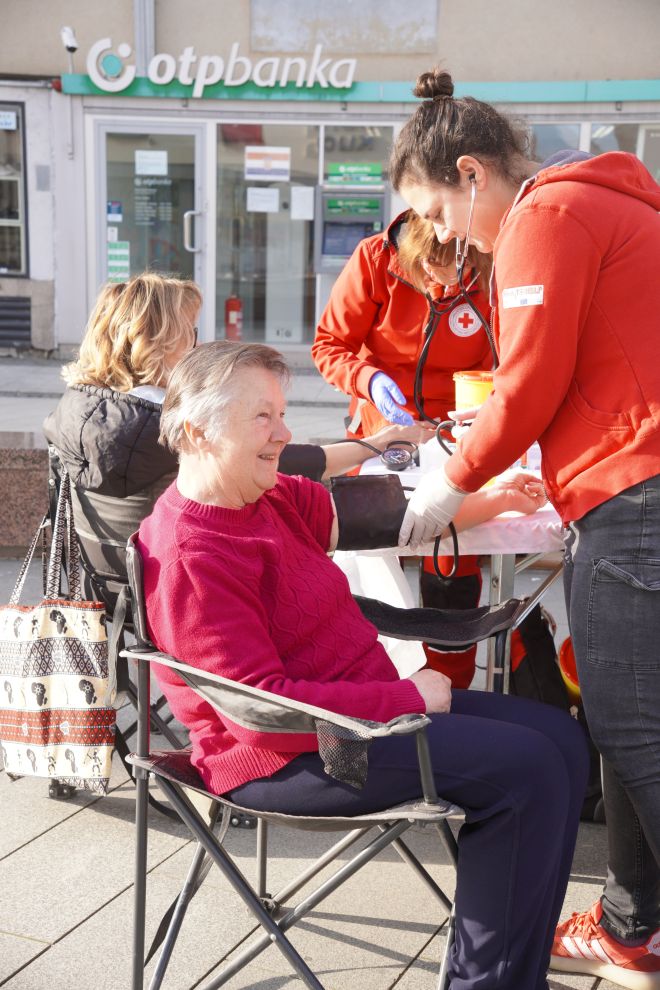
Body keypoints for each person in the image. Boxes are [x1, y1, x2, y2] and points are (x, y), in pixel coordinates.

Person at [137, 339, 585, 990]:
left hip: (352, 715)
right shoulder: (191, 554)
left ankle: (515, 971)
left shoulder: (267, 496)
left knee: (563, 739)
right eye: (262, 417)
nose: (283, 434)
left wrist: (494, 497)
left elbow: (396, 518)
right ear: (197, 431)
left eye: (281, 414)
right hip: (291, 755)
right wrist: (408, 700)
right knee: (529, 770)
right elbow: (262, 715)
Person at [390, 66, 660, 990]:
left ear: (471, 173)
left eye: (438, 210)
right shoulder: (604, 202)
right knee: (629, 723)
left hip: (634, 492)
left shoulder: (545, 216)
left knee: (634, 731)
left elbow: (530, 383)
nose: (444, 235)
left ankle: (635, 927)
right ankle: (632, 928)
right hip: (632, 482)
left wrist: (449, 485)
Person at [43, 273, 424, 613]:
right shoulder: (173, 422)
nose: (198, 345)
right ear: (159, 342)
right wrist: (377, 444)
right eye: (191, 332)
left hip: (112, 592)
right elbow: (284, 461)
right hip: (198, 593)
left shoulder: (78, 409)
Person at [313, 211, 494, 688]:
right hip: (382, 428)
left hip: (458, 427)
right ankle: (373, 680)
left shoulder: (493, 262)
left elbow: (512, 354)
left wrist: (489, 400)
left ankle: (451, 684)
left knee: (453, 557)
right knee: (368, 547)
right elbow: (329, 346)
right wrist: (367, 379)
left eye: (453, 267)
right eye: (429, 266)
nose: (440, 279)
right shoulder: (375, 258)